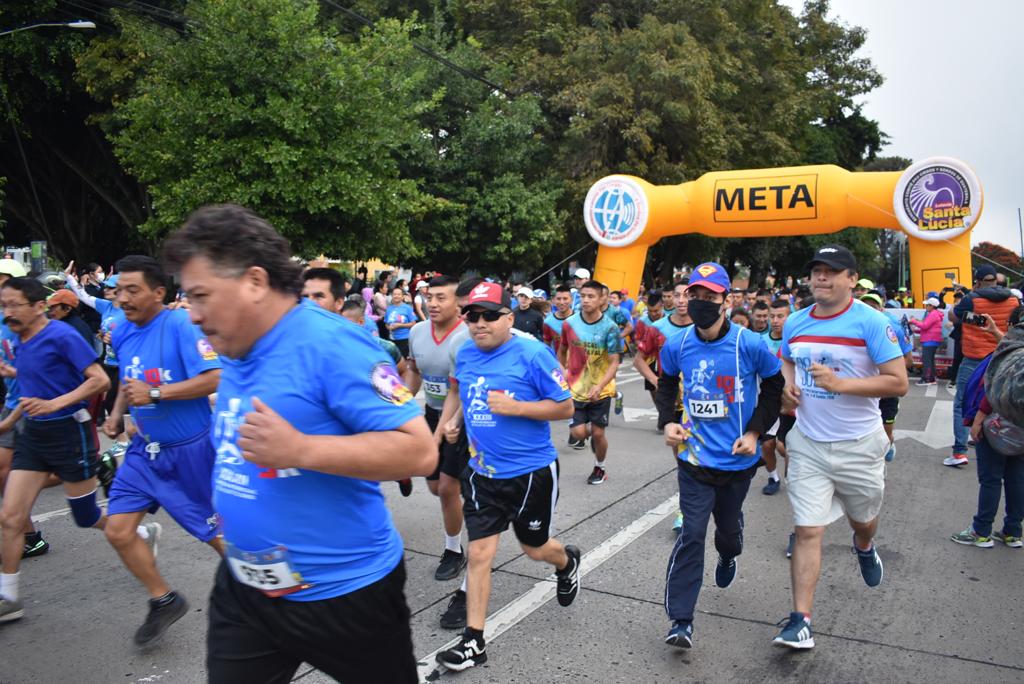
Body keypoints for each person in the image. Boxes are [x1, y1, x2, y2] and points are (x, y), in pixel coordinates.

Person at [162, 204, 435, 682]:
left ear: (253, 281)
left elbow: (419, 451)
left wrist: (300, 450)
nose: (193, 315)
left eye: (201, 296)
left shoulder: (333, 344)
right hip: (246, 588)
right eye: (187, 298)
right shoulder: (235, 343)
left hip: (345, 594)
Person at [434, 281, 580, 671]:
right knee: (479, 554)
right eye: (472, 316)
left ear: (509, 318)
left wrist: (518, 409)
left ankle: (566, 563)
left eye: (489, 316)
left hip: (530, 473)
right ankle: (473, 641)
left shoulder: (533, 353)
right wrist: (454, 422)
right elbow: (468, 396)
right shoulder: (464, 353)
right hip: (482, 472)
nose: (479, 323)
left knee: (534, 548)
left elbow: (566, 407)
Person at [773, 245, 907, 651]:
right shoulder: (795, 322)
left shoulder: (871, 322)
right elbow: (786, 360)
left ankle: (864, 546)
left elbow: (898, 381)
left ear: (852, 279)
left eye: (832, 272)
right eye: (816, 271)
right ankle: (801, 621)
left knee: (862, 519)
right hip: (809, 443)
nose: (821, 278)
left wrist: (841, 385)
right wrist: (786, 386)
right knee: (807, 529)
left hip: (860, 446)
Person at [99, 255, 224, 646]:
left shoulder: (182, 326)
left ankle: (274, 596)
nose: (123, 298)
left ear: (158, 292)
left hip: (191, 451)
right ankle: (163, 599)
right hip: (144, 452)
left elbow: (215, 377)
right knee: (118, 531)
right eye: (119, 290)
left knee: (220, 537)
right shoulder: (120, 331)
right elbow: (127, 381)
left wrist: (156, 393)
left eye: (133, 290)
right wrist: (118, 414)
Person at [658, 262, 783, 649]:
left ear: (726, 301)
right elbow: (664, 383)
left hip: (737, 462)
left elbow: (774, 388)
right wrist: (668, 421)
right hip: (694, 460)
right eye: (694, 295)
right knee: (691, 534)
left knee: (726, 536)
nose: (699, 302)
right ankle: (681, 620)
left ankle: (729, 553)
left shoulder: (750, 344)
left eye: (709, 296)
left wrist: (754, 432)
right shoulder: (677, 344)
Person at [0, 277, 111, 623]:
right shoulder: (20, 339)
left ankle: (136, 531)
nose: (7, 312)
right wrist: (6, 424)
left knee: (86, 516)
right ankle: (9, 596)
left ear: (38, 306)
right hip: (33, 436)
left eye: (14, 305)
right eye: (4, 305)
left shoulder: (62, 335)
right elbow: (30, 391)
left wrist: (55, 404)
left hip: (68, 432)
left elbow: (99, 380)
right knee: (10, 517)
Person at [403, 275, 470, 584]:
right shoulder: (417, 332)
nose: (432, 303)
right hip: (431, 413)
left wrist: (447, 426)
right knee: (435, 487)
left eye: (441, 298)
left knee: (446, 487)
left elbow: (461, 389)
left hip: (463, 418)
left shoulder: (469, 336)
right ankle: (461, 498)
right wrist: (399, 404)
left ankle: (454, 551)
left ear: (458, 303)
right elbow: (414, 373)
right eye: (429, 297)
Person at [950, 306, 1024, 548]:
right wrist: (993, 331)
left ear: (1014, 326)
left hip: (996, 426)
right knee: (1017, 479)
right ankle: (1013, 532)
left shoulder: (1010, 357)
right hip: (1021, 427)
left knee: (991, 479)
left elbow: (992, 391)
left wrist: (978, 420)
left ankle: (981, 531)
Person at [948, 265, 1020, 467]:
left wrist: (964, 299)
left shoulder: (972, 298)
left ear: (978, 281)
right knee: (996, 401)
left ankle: (959, 451)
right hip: (1001, 356)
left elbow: (953, 317)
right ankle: (997, 441)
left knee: (962, 402)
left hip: (973, 357)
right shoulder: (1014, 299)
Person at [559, 280, 621, 485]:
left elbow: (614, 362)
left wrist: (600, 385)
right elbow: (562, 349)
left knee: (598, 432)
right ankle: (590, 435)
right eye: (583, 296)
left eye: (591, 296)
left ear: (602, 299)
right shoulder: (569, 323)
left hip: (600, 389)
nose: (585, 300)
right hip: (576, 388)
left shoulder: (610, 328)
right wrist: (562, 373)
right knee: (577, 433)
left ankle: (599, 467)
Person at [760, 298, 792, 496]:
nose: (776, 320)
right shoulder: (760, 341)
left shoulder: (796, 339)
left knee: (785, 447)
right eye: (772, 316)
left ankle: (792, 478)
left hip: (791, 402)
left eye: (781, 316)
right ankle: (773, 476)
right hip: (768, 400)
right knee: (767, 444)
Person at [908, 297, 944, 385]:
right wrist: (916, 330)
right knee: (930, 360)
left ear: (931, 306)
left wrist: (913, 321)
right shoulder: (935, 313)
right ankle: (931, 378)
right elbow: (926, 328)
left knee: (927, 360)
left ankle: (926, 379)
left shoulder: (933, 314)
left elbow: (925, 326)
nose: (926, 306)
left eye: (927, 305)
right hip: (932, 340)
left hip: (930, 340)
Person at [385, 287, 417, 358]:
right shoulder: (389, 309)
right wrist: (389, 327)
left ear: (402, 296)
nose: (396, 296)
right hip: (391, 339)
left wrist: (399, 325)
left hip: (404, 339)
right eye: (394, 294)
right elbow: (386, 324)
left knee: (402, 360)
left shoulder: (407, 308)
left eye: (399, 294)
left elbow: (413, 323)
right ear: (392, 296)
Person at [542, 285, 573, 355]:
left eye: (565, 299)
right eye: (558, 299)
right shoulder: (548, 322)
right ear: (553, 300)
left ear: (571, 300)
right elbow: (546, 347)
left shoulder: (580, 318)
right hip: (558, 363)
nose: (562, 302)